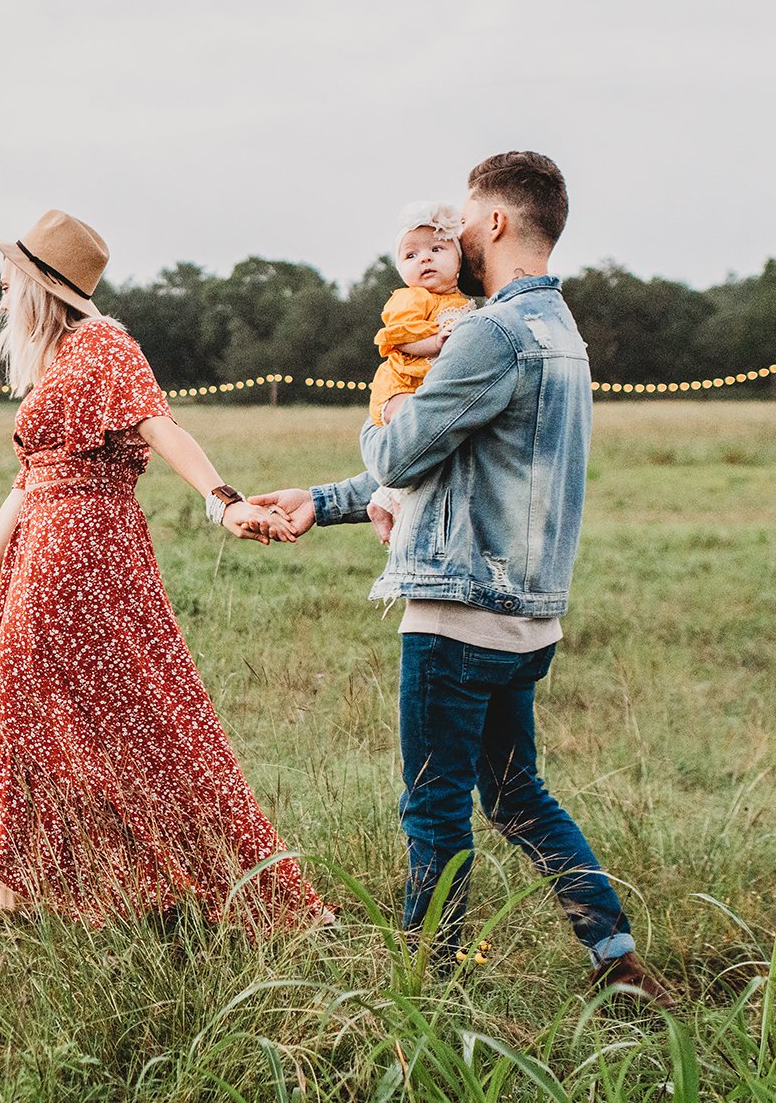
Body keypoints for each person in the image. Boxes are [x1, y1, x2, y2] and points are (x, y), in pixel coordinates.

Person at [252, 153, 675, 1004]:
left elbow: (405, 450)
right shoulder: (561, 333)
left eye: (465, 219)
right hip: (526, 618)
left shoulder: (489, 333)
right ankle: (617, 959)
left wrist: (382, 418)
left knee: (433, 809)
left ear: (496, 224)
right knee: (517, 796)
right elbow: (457, 464)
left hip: (457, 614)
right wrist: (324, 500)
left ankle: (424, 989)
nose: (453, 235)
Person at [0, 208, 327, 927]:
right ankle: (53, 893)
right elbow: (25, 487)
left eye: (8, 274)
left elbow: (160, 424)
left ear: (39, 284)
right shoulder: (57, 360)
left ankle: (181, 886)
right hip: (43, 554)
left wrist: (223, 500)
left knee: (139, 718)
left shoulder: (105, 344)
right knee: (40, 719)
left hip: (84, 555)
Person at [366, 202, 473, 542]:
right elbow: (400, 337)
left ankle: (384, 501)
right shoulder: (411, 298)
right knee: (412, 435)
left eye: (436, 249)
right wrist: (436, 342)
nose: (424, 259)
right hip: (399, 385)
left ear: (459, 260)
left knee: (430, 444)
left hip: (425, 387)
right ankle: (388, 503)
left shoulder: (462, 302)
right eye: (411, 255)